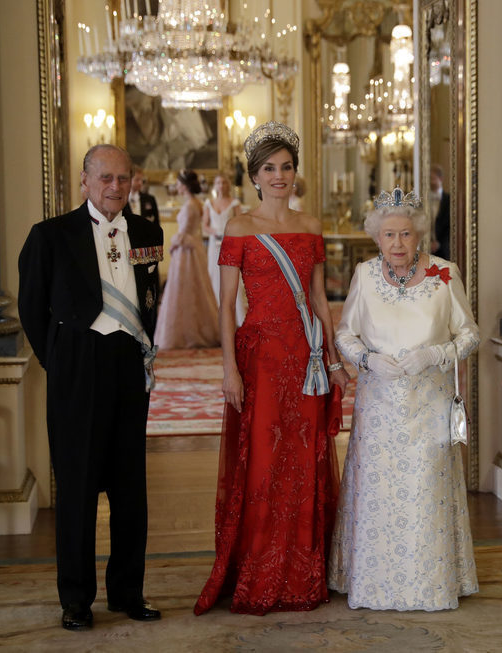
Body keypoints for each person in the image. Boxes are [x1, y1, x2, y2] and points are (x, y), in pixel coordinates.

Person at [193, 121, 349, 616]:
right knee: (262, 463)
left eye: (286, 167)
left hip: (304, 360)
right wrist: (228, 370)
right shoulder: (239, 227)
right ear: (254, 177)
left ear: (295, 174)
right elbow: (225, 306)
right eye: (268, 169)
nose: (278, 176)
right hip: (258, 359)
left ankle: (302, 575)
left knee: (304, 462)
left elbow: (321, 300)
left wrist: (333, 357)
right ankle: (260, 571)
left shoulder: (311, 226)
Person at [17, 144, 164, 630]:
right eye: (105, 178)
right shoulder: (50, 236)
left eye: (123, 179)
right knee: (77, 490)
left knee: (130, 490)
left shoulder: (147, 232)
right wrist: (60, 362)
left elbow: (149, 300)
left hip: (128, 369)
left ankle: (128, 592)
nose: (114, 187)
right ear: (84, 180)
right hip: (76, 369)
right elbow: (32, 310)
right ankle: (76, 600)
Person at [328, 188, 479, 611]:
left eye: (406, 234)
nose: (397, 244)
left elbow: (469, 334)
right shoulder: (364, 275)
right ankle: (374, 585)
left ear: (420, 236)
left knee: (425, 491)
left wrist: (435, 354)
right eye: (389, 235)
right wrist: (367, 360)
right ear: (376, 237)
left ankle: (429, 585)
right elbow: (345, 334)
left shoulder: (444, 274)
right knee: (378, 495)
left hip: (429, 403)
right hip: (378, 405)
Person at [153, 169, 221, 349]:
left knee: (184, 288)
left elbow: (183, 232)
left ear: (184, 186)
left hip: (186, 251)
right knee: (196, 287)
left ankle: (185, 333)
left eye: (177, 183)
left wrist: (173, 244)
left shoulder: (191, 205)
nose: (176, 186)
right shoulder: (197, 203)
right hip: (193, 248)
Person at [203, 172, 247, 324]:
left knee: (233, 277)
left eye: (223, 182)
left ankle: (239, 320)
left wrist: (229, 233)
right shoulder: (209, 203)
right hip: (214, 245)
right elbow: (205, 225)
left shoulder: (234, 203)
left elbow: (240, 223)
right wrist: (213, 232)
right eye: (218, 183)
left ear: (228, 185)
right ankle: (217, 320)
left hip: (230, 243)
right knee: (214, 277)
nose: (221, 185)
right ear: (215, 186)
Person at [429, 164, 452, 260]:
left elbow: (450, 226)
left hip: (444, 250)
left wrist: (439, 244)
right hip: (426, 249)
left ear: (441, 179)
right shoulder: (424, 199)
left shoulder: (449, 200)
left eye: (433, 178)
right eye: (430, 179)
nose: (431, 182)